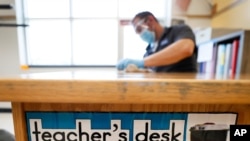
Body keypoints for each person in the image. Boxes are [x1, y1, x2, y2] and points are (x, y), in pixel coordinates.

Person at [117, 11, 197, 72]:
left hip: (184, 87)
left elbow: (186, 48)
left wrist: (143, 62)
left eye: (139, 29)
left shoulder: (178, 31)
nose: (140, 34)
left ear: (150, 20)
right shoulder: (149, 51)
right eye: (137, 32)